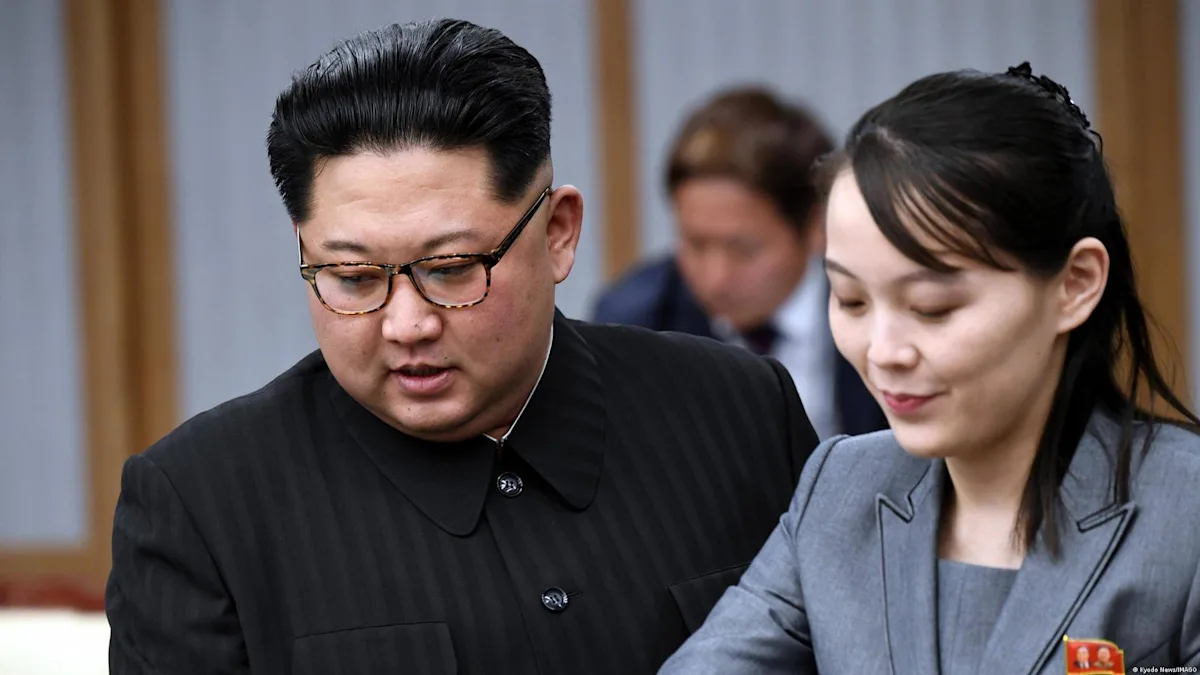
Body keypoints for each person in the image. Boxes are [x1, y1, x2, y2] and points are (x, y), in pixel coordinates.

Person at [105, 18, 819, 675]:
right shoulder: (201, 504)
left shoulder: (741, 413)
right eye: (353, 277)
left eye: (451, 270)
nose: (406, 323)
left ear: (558, 233)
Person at [659, 62, 1200, 674]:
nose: (885, 349)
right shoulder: (841, 489)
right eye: (852, 301)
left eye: (931, 308)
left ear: (1075, 284)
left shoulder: (1184, 512)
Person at [592, 87, 886, 439]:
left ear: (815, 227)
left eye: (744, 249)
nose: (715, 279)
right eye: (696, 244)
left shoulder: (881, 310)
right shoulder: (634, 325)